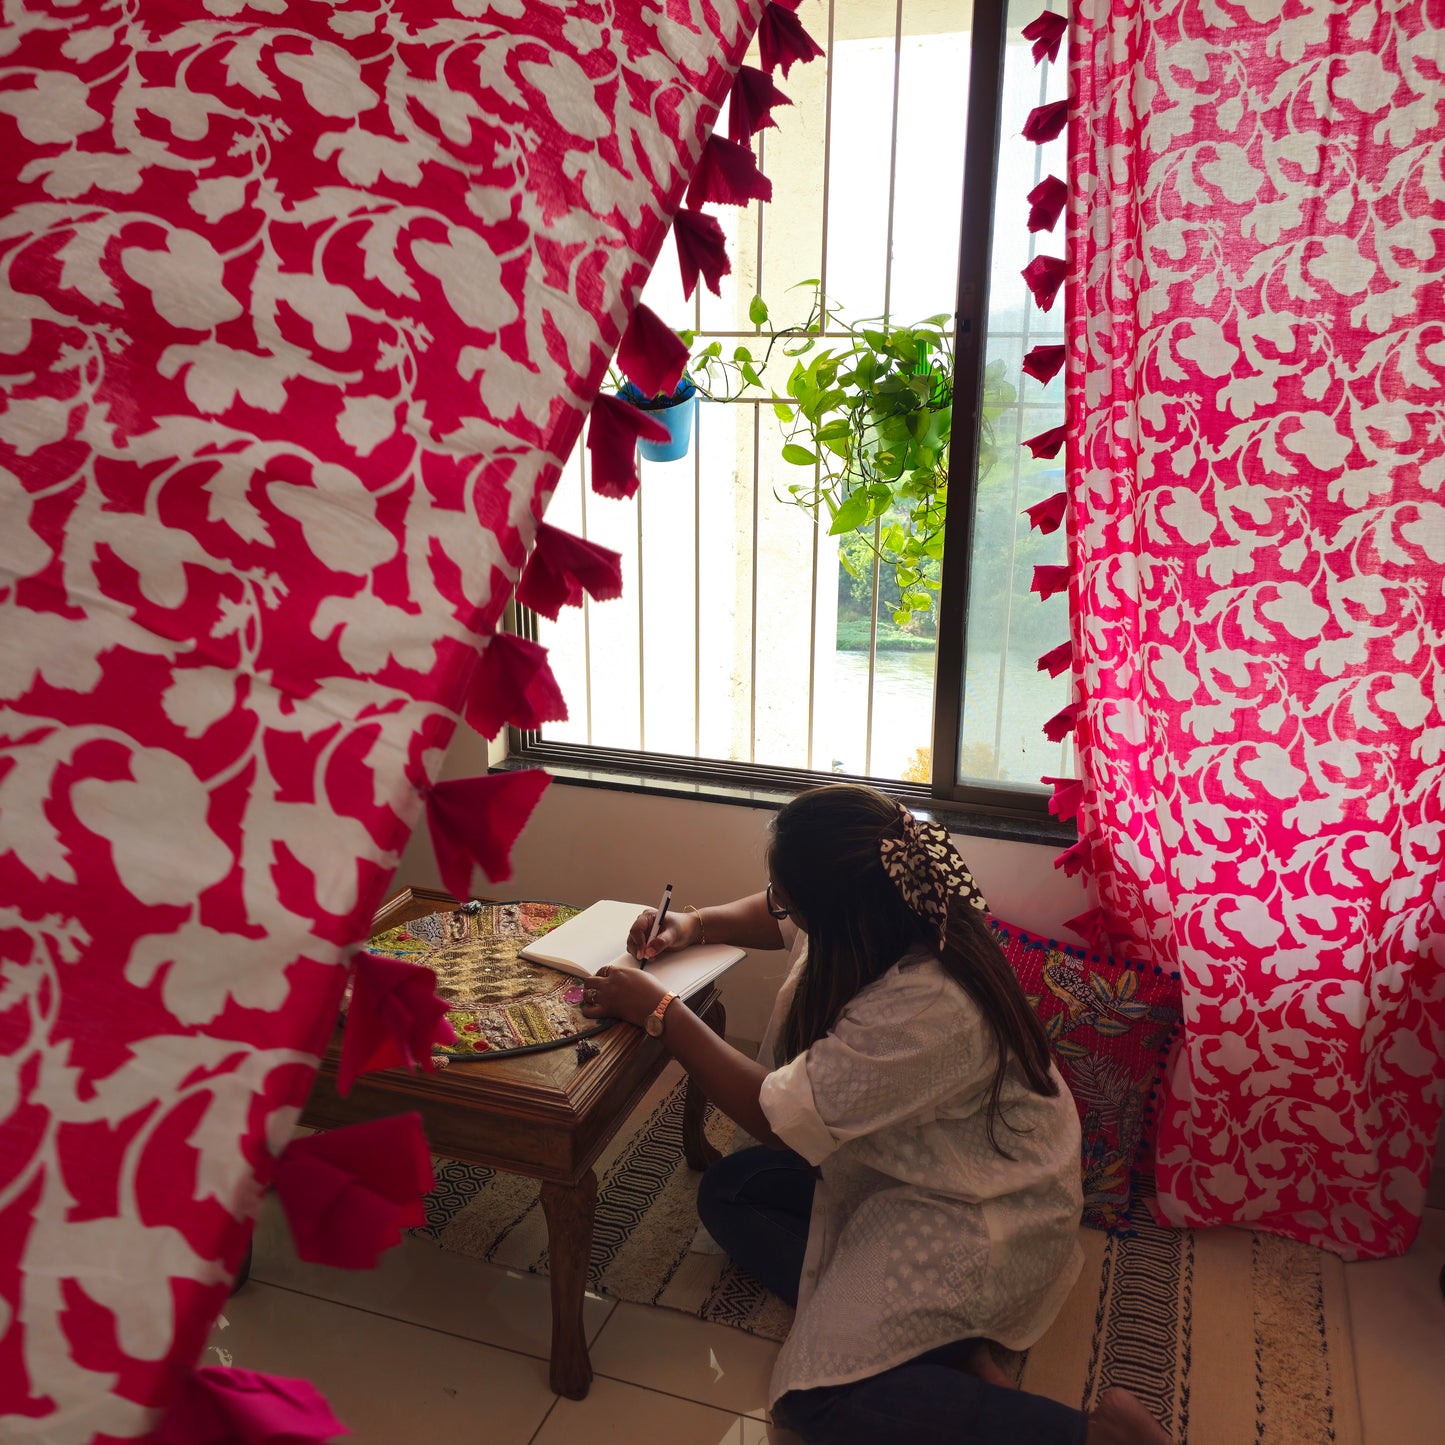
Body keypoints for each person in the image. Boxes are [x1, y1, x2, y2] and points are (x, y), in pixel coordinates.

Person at [579, 784, 1173, 1445]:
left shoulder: (923, 1007)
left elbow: (774, 1117)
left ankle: (1090, 1435)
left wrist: (660, 1012)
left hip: (983, 1211)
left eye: (787, 896)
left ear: (827, 909)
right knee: (729, 1190)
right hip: (910, 1169)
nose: (778, 907)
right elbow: (773, 918)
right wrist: (694, 924)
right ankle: (941, 1347)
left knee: (816, 1398)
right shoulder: (886, 908)